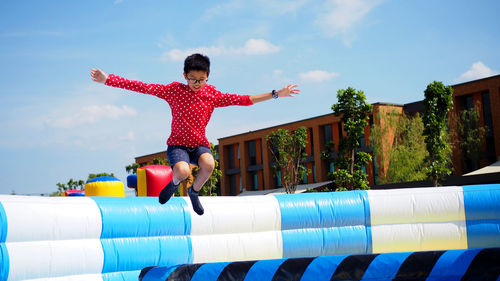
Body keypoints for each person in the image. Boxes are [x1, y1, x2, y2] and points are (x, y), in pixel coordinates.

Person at [90, 53, 300, 215]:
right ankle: (173, 185)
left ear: (207, 77)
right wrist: (108, 80)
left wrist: (275, 94)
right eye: (193, 79)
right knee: (181, 172)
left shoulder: (212, 95)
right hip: (178, 145)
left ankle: (194, 191)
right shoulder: (173, 91)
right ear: (185, 76)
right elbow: (143, 87)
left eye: (201, 79)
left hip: (199, 143)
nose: (197, 84)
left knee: (209, 164)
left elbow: (244, 100)